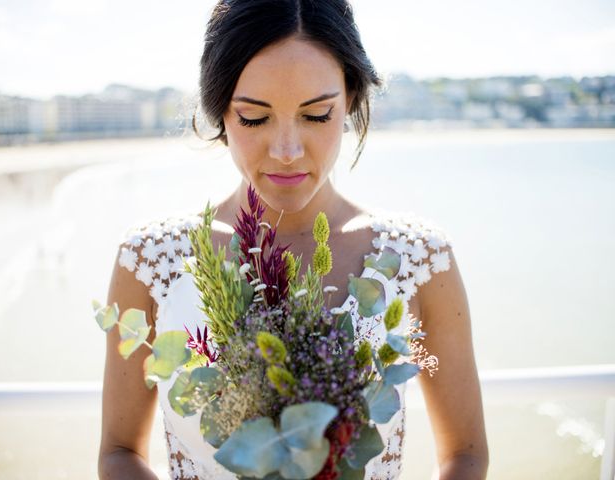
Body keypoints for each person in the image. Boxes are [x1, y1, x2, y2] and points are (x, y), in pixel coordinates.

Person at [98, 1, 489, 479]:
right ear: (220, 110)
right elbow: (119, 452)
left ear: (350, 100)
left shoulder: (419, 258)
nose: (286, 151)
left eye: (317, 115)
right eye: (255, 118)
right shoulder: (150, 260)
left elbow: (465, 455)